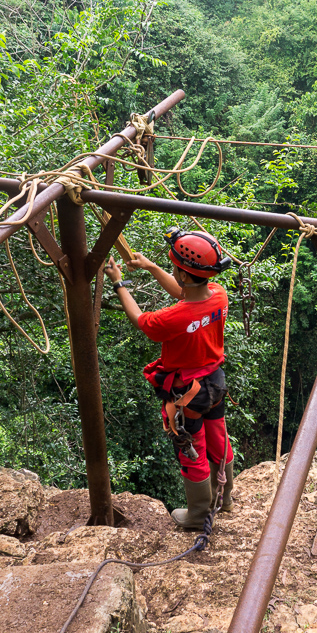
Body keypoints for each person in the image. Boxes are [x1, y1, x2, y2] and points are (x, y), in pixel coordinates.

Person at [104, 226, 235, 529]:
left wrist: (119, 283)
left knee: (192, 448)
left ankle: (198, 516)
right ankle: (225, 498)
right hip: (215, 382)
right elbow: (183, 291)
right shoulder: (218, 294)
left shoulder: (173, 318)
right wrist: (150, 266)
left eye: (176, 268)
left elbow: (140, 320)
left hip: (188, 393)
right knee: (218, 437)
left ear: (185, 274)